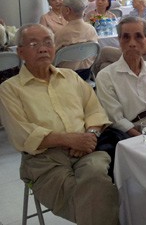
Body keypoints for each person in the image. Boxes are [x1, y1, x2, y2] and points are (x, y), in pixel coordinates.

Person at [0, 23, 119, 225]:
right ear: (20, 52)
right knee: (96, 193)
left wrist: (90, 136)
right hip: (44, 161)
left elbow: (95, 111)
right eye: (34, 44)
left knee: (97, 176)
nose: (43, 48)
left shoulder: (71, 77)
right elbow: (23, 134)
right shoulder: (10, 89)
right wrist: (71, 140)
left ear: (55, 48)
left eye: (48, 42)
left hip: (87, 151)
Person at [55, 0, 98, 72]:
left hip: (65, 76)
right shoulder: (91, 29)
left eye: (62, 6)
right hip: (86, 74)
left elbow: (53, 59)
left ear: (67, 10)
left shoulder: (61, 33)